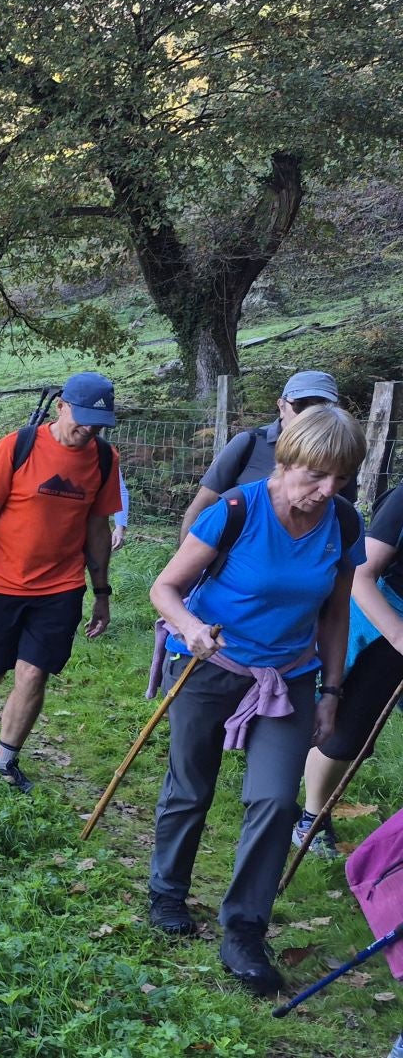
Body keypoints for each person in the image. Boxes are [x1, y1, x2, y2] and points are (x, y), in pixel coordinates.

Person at [144, 405, 364, 997]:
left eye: (340, 478)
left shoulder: (343, 522)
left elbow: (336, 612)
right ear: (288, 459)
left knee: (273, 801)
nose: (326, 491)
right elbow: (163, 587)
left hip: (290, 676)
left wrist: (331, 692)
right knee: (191, 786)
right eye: (315, 475)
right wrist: (189, 626)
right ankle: (167, 893)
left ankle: (243, 929)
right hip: (211, 665)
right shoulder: (237, 509)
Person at [0, 372, 122, 793]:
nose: (88, 431)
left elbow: (98, 527)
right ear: (62, 405)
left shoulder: (104, 459)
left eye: (98, 425)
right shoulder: (17, 445)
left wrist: (102, 592)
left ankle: (5, 762)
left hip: (60, 588)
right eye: (81, 419)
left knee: (34, 673)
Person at [295, 467, 403, 859]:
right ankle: (311, 817)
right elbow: (362, 575)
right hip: (387, 626)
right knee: (347, 733)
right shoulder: (402, 499)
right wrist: (398, 636)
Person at [181, 370, 345, 538]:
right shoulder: (249, 443)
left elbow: (341, 516)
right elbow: (201, 505)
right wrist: (187, 559)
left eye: (321, 407)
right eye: (301, 405)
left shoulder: (342, 456)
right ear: (282, 406)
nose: (309, 415)